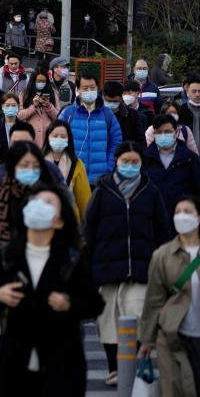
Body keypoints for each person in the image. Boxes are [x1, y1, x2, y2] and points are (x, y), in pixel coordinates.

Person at [0, 186, 104, 397]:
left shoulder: (72, 258)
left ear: (59, 220)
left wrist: (69, 304)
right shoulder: (8, 256)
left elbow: (95, 303)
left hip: (62, 361)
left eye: (49, 203)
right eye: (36, 201)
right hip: (16, 362)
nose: (40, 206)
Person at [83, 141, 171, 387]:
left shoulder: (150, 191)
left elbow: (162, 230)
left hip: (142, 267)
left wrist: (162, 263)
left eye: (135, 162)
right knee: (109, 321)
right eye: (125, 162)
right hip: (108, 266)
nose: (130, 166)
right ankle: (114, 368)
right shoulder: (103, 189)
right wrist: (89, 266)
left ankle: (132, 364)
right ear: (117, 161)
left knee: (140, 317)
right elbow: (89, 229)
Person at [140, 195, 200, 396]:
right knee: (176, 388)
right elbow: (154, 299)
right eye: (177, 212)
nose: (181, 216)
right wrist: (147, 340)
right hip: (173, 335)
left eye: (187, 212)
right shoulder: (162, 255)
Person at [0, 141, 59, 267]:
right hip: (5, 277)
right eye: (24, 166)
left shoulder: (53, 200)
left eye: (36, 166)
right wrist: (3, 262)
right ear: (12, 167)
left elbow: (68, 241)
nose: (31, 170)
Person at [58, 74, 123, 182]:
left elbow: (116, 143)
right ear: (78, 89)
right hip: (73, 177)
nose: (89, 91)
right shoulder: (68, 113)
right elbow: (57, 139)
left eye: (92, 88)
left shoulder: (108, 114)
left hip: (100, 178)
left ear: (97, 88)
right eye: (85, 88)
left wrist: (108, 167)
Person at [142, 114, 200, 224]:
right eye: (159, 132)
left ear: (175, 133)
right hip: (153, 217)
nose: (163, 135)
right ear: (154, 133)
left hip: (182, 217)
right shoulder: (146, 159)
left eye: (168, 132)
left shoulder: (189, 158)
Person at [42, 121, 92, 219]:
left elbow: (84, 198)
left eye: (63, 137)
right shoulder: (38, 162)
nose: (59, 139)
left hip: (70, 219)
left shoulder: (77, 164)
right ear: (48, 137)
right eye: (55, 135)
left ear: (68, 139)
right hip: (42, 218)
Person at [16, 72, 58, 146]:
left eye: (43, 81)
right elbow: (20, 116)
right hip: (31, 137)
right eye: (38, 81)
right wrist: (33, 106)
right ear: (33, 81)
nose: (41, 83)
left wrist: (49, 106)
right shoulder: (25, 94)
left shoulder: (52, 94)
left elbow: (58, 117)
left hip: (48, 137)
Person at [102, 80, 148, 145]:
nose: (112, 104)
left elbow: (141, 141)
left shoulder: (133, 115)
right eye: (108, 101)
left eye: (115, 101)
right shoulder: (95, 115)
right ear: (103, 97)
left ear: (121, 98)